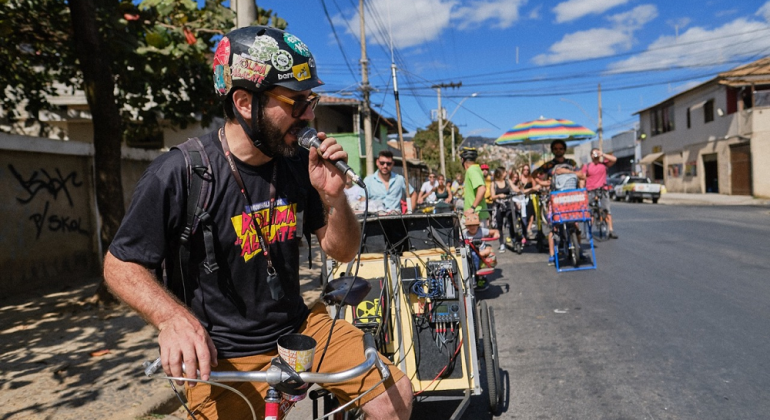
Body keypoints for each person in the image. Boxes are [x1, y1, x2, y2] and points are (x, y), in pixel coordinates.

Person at [103, 26, 412, 420]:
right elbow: (120, 264)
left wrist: (335, 201)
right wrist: (172, 318)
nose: (309, 115)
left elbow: (343, 250)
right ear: (245, 102)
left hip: (301, 330)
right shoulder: (179, 172)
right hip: (223, 355)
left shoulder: (299, 163)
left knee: (395, 395)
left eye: (311, 100)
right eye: (296, 102)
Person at [582, 148, 618, 239]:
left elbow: (614, 159)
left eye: (596, 153)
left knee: (607, 210)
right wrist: (582, 190)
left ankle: (610, 230)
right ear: (591, 155)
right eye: (594, 153)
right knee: (590, 211)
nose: (595, 155)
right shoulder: (587, 166)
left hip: (603, 189)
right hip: (590, 190)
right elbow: (582, 178)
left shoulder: (604, 164)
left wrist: (602, 154)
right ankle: (587, 231)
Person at [463, 212, 499, 291]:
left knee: (486, 252)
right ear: (466, 227)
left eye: (474, 225)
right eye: (469, 226)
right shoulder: (465, 234)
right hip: (470, 253)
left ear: (478, 225)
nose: (472, 227)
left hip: (482, 253)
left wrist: (496, 234)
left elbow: (494, 231)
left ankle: (475, 275)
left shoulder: (481, 231)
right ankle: (473, 275)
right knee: (471, 254)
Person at [490, 167, 519, 252]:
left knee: (512, 220)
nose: (506, 173)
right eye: (504, 172)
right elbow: (492, 196)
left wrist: (519, 191)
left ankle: (513, 238)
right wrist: (499, 196)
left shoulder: (507, 181)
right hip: (499, 205)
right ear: (500, 173)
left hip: (508, 204)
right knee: (499, 225)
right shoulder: (493, 183)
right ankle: (502, 243)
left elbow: (514, 188)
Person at [459, 147, 489, 226]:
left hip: (474, 216)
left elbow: (482, 189)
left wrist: (472, 208)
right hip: (474, 215)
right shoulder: (477, 169)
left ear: (462, 160)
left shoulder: (472, 170)